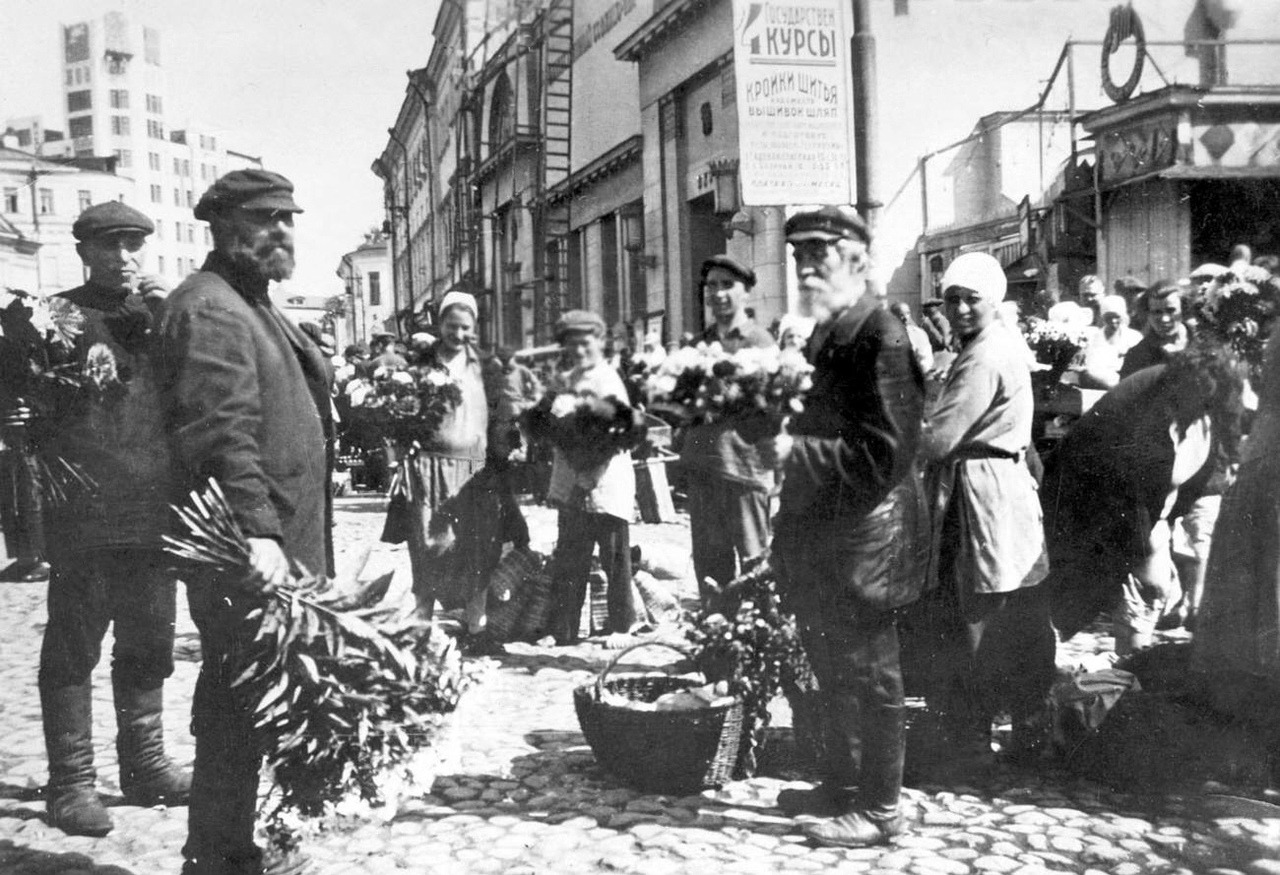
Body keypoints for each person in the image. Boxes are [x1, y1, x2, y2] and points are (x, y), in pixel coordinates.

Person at [159, 169, 330, 875]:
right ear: (225, 229)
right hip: (251, 550)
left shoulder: (250, 301)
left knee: (250, 699)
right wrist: (257, 530)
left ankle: (234, 848)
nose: (284, 229)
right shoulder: (213, 310)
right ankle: (220, 856)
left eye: (289, 217)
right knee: (238, 702)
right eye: (266, 220)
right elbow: (220, 430)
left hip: (282, 538)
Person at [762, 206, 926, 848]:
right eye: (800, 256)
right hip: (827, 528)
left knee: (871, 672)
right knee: (830, 662)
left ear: (857, 261)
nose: (806, 267)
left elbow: (887, 452)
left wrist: (791, 453)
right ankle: (841, 785)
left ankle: (882, 806)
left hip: (868, 535)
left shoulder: (879, 334)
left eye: (819, 255)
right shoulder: (831, 332)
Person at [26, 202, 188, 838]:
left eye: (133, 245)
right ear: (83, 251)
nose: (124, 257)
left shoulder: (161, 318)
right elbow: (20, 399)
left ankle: (145, 767)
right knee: (74, 645)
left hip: (154, 506)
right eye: (109, 245)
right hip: (85, 510)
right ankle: (70, 784)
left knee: (149, 640)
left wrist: (165, 317)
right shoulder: (54, 317)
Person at [915, 252, 1055, 767]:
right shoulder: (998, 345)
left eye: (971, 299)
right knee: (1017, 607)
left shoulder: (982, 356)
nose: (960, 308)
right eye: (952, 298)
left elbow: (939, 438)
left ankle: (971, 738)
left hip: (980, 491)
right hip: (1004, 484)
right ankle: (1027, 728)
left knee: (973, 612)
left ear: (993, 301)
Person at [1041, 343, 1244, 657]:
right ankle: (1122, 669)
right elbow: (1133, 493)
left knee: (1149, 590)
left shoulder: (1206, 414)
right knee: (1136, 590)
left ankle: (1128, 672)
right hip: (1090, 501)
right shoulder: (1151, 409)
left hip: (1141, 510)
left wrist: (1170, 544)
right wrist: (1152, 554)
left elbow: (1193, 488)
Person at [381, 291, 491, 625]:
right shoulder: (421, 364)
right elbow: (401, 413)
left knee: (475, 545)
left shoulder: (484, 364)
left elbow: (501, 412)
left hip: (474, 466)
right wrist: (401, 444)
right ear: (440, 324)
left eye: (465, 328)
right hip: (428, 466)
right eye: (451, 326)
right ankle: (422, 623)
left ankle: (476, 623)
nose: (458, 335)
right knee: (426, 545)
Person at [682, 255, 776, 608]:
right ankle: (717, 647)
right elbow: (680, 405)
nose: (718, 293)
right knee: (709, 563)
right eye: (711, 286)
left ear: (746, 293)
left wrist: (728, 397)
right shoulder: (696, 345)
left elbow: (772, 409)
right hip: (703, 466)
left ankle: (761, 647)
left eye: (727, 285)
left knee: (754, 564)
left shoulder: (759, 343)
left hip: (743, 469)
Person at [546, 309, 639, 646]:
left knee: (614, 556)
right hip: (573, 480)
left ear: (599, 342)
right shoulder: (569, 379)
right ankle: (563, 629)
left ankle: (621, 626)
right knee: (570, 555)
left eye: (586, 344)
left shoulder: (607, 379)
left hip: (604, 479)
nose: (580, 351)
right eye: (573, 345)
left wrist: (590, 474)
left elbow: (615, 435)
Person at [0, 289, 50, 583]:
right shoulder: (6, 348)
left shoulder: (35, 349)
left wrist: (32, 408)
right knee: (12, 493)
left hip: (32, 433)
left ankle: (39, 558)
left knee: (31, 492)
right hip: (9, 429)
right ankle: (23, 557)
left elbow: (48, 385)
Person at [1119, 280, 1188, 379]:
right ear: (1148, 314)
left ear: (1183, 309)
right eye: (1157, 312)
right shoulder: (1136, 356)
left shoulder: (1204, 344)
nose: (1165, 319)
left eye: (1171, 310)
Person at [1079, 294, 1143, 390]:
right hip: (1100, 385)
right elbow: (1092, 368)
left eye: (1117, 316)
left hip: (1129, 384)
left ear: (1123, 316)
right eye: (1108, 317)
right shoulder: (1094, 338)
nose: (1113, 321)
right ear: (1102, 317)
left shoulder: (1134, 337)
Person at [889, 301, 934, 374]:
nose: (906, 318)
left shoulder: (919, 333)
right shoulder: (887, 335)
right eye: (901, 315)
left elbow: (927, 359)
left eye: (908, 313)